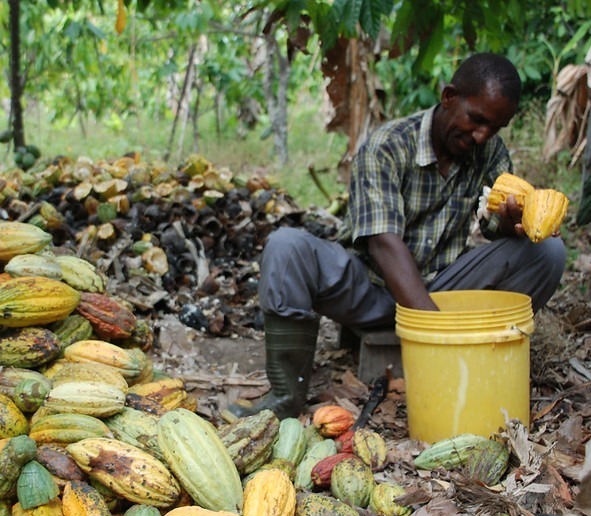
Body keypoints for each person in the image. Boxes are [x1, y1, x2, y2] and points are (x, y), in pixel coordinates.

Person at [227, 53, 566, 420]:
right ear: (449, 96)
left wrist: (509, 220)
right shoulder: (387, 145)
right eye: (477, 119)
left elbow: (489, 226)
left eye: (494, 128)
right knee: (286, 247)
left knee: (547, 251)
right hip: (368, 288)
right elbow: (382, 243)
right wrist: (436, 335)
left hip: (442, 288)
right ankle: (285, 398)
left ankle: (485, 348)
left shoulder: (488, 151)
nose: (482, 135)